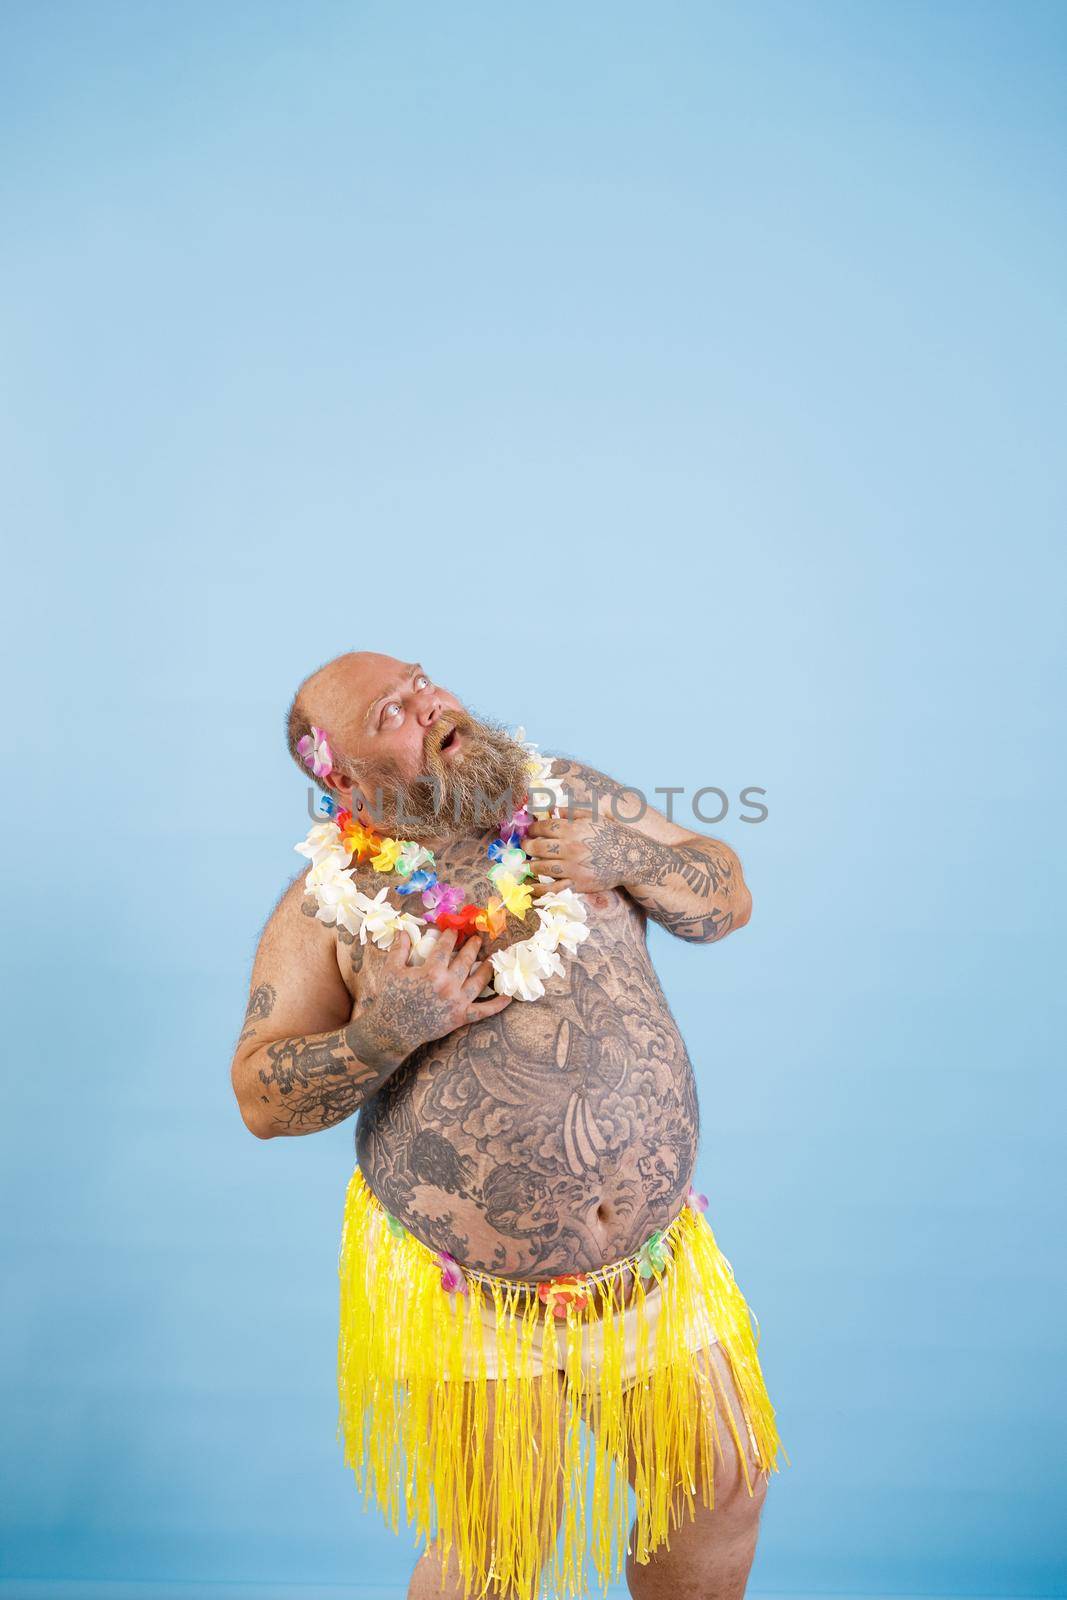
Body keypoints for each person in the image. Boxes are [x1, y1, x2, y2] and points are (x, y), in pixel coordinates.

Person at [230, 651, 784, 1600]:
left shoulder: (568, 798)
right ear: (343, 777)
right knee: (499, 1543)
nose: (430, 702)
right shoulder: (329, 906)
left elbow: (724, 897)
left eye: (422, 682)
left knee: (719, 1490)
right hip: (469, 1297)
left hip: (652, 1265)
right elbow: (260, 1097)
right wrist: (380, 1034)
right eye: (390, 713)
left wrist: (633, 858)